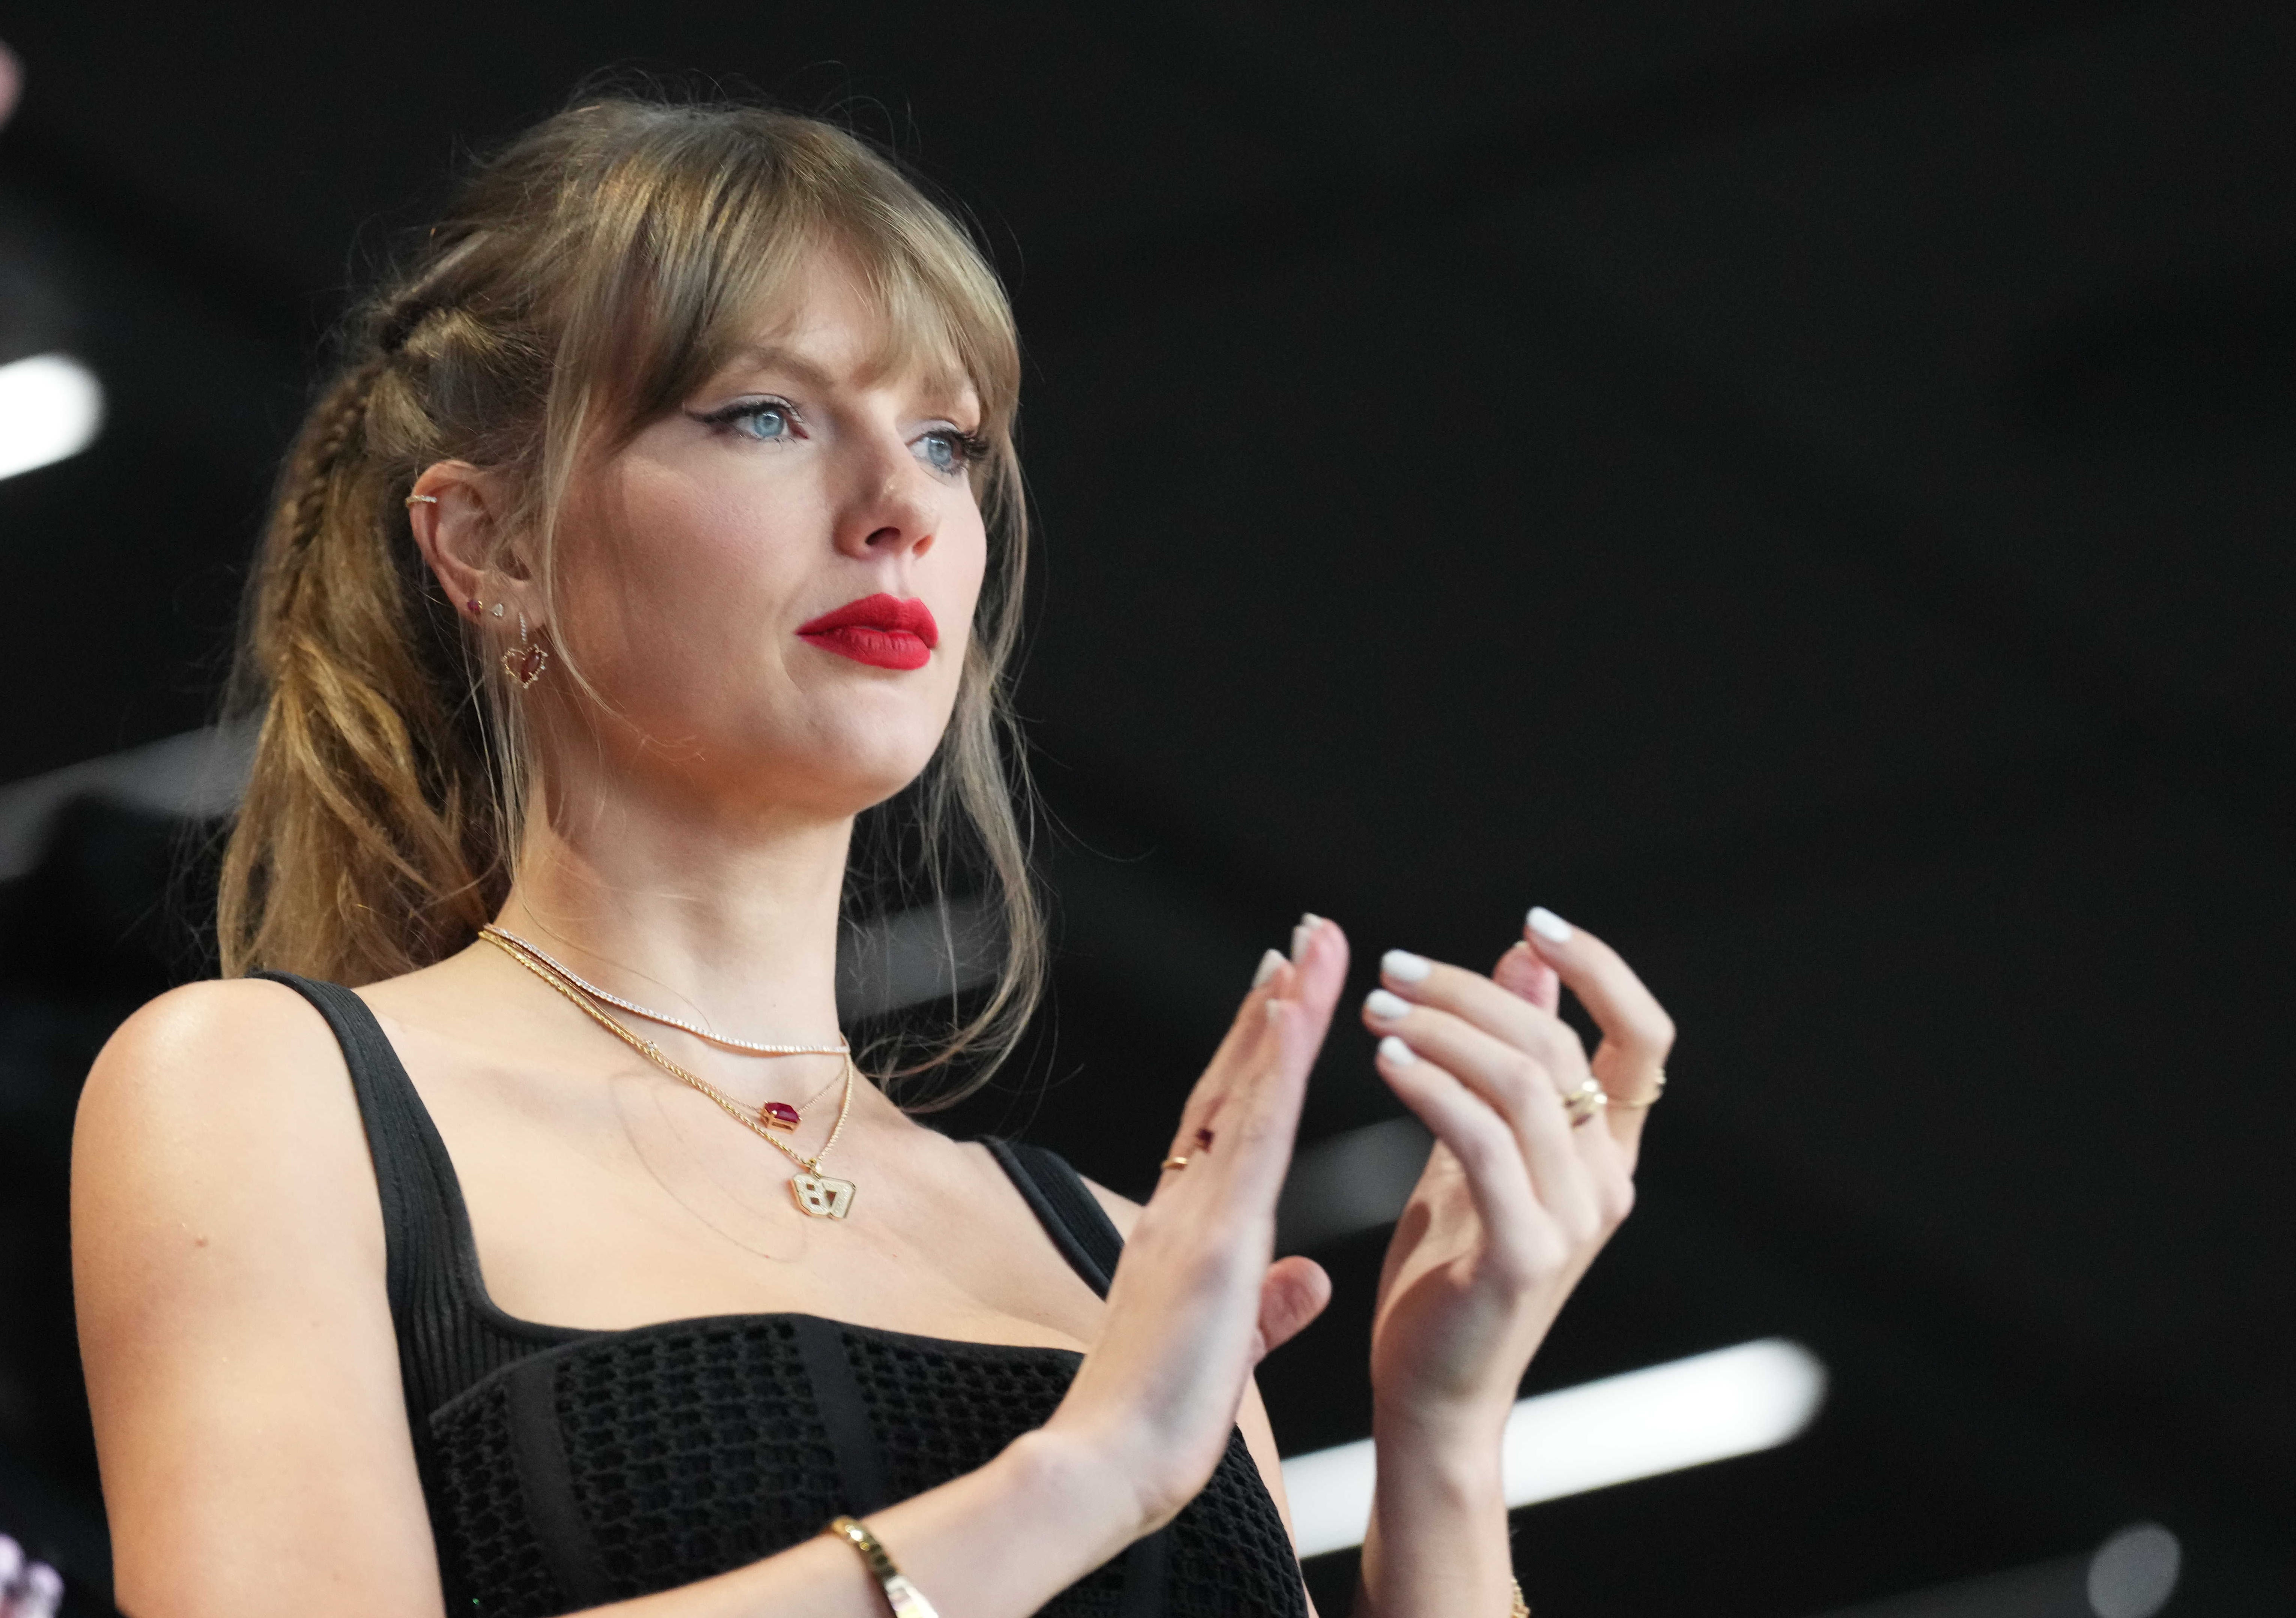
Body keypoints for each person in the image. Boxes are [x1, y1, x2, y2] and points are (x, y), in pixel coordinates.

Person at [70, 96, 1672, 1618]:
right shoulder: (268, 1097)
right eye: (764, 414)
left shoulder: (1128, 1256)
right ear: (488, 548)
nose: (898, 503)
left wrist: (1446, 1435)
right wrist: (1075, 1478)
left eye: (950, 442)